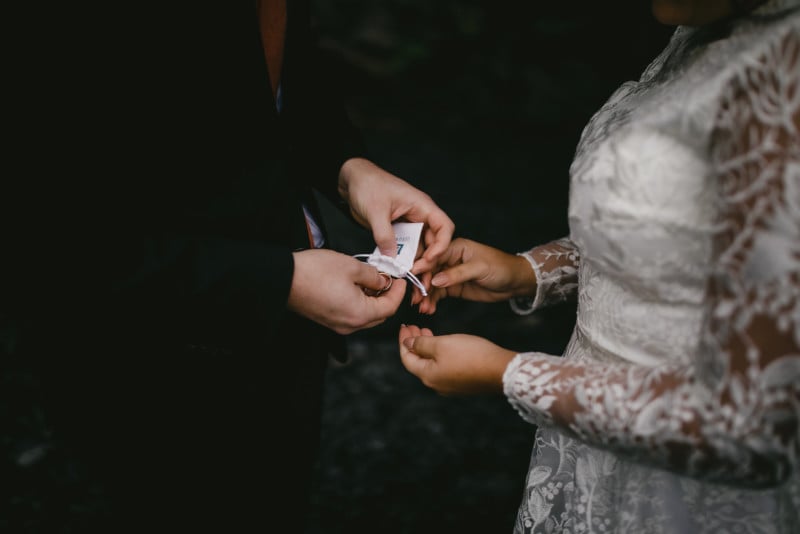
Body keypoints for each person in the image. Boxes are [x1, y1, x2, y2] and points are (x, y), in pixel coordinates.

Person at [2, 0, 453, 532]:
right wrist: (276, 281)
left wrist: (346, 167)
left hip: (286, 345)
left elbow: (273, 79)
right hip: (149, 364)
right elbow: (45, 238)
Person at [399, 0, 800, 532]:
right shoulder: (704, 30)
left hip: (690, 487)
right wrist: (528, 272)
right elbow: (684, 238)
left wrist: (510, 374)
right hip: (593, 446)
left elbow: (752, 427)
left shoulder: (785, 76)